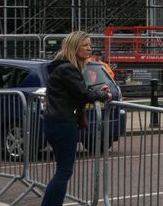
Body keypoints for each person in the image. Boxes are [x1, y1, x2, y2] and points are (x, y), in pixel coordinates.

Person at [42, 31, 112, 206]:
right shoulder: (67, 68)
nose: (90, 48)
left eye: (90, 45)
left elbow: (77, 91)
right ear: (74, 47)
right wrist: (103, 95)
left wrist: (96, 92)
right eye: (85, 45)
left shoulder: (62, 67)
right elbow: (83, 94)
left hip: (56, 122)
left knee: (62, 171)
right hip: (63, 124)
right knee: (64, 172)